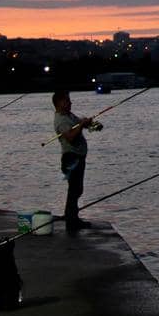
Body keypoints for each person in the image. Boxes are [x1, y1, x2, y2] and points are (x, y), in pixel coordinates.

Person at [52, 90, 97, 234]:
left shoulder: (70, 116)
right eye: (67, 101)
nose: (70, 103)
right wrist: (81, 124)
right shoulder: (60, 120)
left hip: (78, 157)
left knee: (77, 189)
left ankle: (72, 217)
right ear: (59, 103)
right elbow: (70, 137)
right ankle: (71, 220)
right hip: (71, 158)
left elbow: (80, 125)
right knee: (74, 189)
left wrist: (88, 123)